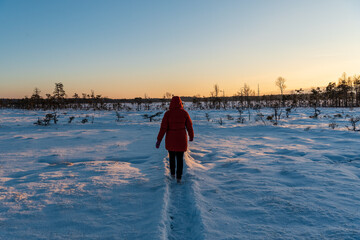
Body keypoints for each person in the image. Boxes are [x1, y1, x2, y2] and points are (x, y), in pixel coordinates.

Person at [156, 96, 194, 182]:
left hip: (171, 139)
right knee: (180, 159)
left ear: (171, 103)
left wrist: (159, 140)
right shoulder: (184, 113)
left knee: (172, 158)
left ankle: (172, 174)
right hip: (181, 139)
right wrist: (191, 136)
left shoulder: (167, 114)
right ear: (180, 103)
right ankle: (179, 177)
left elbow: (163, 128)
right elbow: (189, 126)